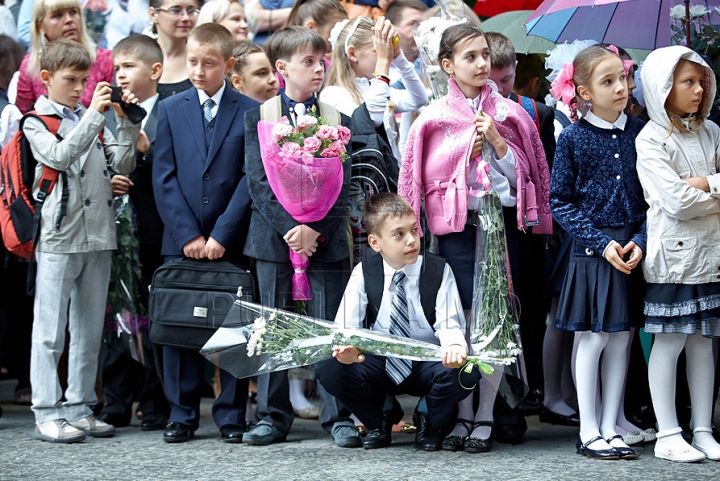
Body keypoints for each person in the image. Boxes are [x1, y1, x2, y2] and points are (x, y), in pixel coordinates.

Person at [399, 24, 551, 454]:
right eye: (470, 57)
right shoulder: (433, 118)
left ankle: (485, 416)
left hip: (500, 230)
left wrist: (500, 146)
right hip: (457, 233)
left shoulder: (510, 114)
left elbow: (529, 178)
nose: (482, 64)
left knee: (496, 322)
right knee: (461, 323)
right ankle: (463, 415)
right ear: (447, 65)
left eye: (485, 55)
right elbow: (416, 179)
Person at [242, 25, 359, 448]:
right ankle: (272, 417)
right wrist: (293, 231)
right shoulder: (258, 117)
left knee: (331, 326)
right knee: (273, 326)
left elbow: (343, 184)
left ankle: (338, 415)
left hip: (324, 239)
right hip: (275, 241)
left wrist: (316, 229)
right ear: (282, 68)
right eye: (308, 61)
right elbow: (258, 183)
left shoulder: (336, 119)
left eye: (321, 61)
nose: (318, 69)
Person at [26, 38, 140, 443]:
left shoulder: (89, 116)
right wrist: (94, 115)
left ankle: (78, 406)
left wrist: (127, 120)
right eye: (70, 80)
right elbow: (58, 157)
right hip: (59, 235)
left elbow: (121, 161)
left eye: (83, 80)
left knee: (90, 327)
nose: (79, 88)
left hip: (99, 233)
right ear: (46, 79)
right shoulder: (35, 121)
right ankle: (45, 409)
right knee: (50, 330)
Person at [152, 23, 258, 444]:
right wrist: (187, 235)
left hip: (229, 240)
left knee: (232, 327)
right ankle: (181, 413)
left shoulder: (250, 109)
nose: (198, 70)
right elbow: (163, 176)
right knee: (180, 325)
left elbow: (251, 178)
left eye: (209, 63)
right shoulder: (171, 107)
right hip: (181, 239)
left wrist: (222, 235)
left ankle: (232, 414)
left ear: (229, 65)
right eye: (193, 61)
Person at [316, 193, 480, 451]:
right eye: (399, 234)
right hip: (381, 363)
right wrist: (347, 350)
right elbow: (346, 326)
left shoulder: (437, 270)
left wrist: (455, 347)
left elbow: (449, 323)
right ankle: (381, 416)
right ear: (374, 242)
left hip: (427, 363)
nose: (412, 240)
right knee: (329, 368)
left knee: (465, 372)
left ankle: (429, 420)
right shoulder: (364, 272)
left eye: (414, 229)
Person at [549, 45, 646, 460]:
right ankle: (589, 429)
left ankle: (611, 424)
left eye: (623, 78)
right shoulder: (573, 138)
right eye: (608, 81)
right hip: (592, 250)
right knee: (593, 337)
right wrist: (601, 242)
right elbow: (560, 201)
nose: (620, 87)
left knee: (623, 337)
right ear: (584, 91)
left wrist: (639, 241)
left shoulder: (640, 133)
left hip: (631, 247)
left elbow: (651, 199)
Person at [635, 46, 720, 463]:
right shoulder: (650, 139)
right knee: (669, 341)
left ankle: (702, 429)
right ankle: (668, 432)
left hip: (712, 254)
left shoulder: (713, 132)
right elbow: (677, 202)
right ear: (662, 88)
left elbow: (691, 193)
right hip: (674, 258)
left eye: (701, 80)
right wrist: (713, 187)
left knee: (704, 341)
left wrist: (703, 182)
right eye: (687, 82)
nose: (699, 89)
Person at [97, 34, 170, 431]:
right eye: (117, 68)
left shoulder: (172, 111)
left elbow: (181, 168)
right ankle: (115, 400)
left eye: (128, 67)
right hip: (115, 232)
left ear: (155, 70)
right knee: (117, 316)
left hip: (157, 231)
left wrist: (147, 151)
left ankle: (155, 401)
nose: (120, 74)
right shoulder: (105, 114)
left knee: (153, 317)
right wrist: (106, 180)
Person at [485, 31, 553, 443]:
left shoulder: (535, 111)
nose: (500, 89)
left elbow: (544, 175)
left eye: (507, 79)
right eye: (494, 79)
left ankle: (524, 393)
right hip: (485, 225)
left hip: (525, 230)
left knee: (528, 311)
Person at [321, 15, 427, 161]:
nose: (386, 56)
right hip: (365, 179)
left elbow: (418, 99)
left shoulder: (375, 87)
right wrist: (383, 61)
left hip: (390, 176)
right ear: (352, 54)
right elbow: (370, 119)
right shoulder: (332, 94)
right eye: (378, 50)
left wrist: (399, 58)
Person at [15, 0, 115, 114]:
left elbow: (115, 114)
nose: (69, 20)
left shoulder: (106, 60)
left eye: (73, 12)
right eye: (57, 15)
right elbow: (23, 116)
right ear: (40, 26)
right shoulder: (30, 65)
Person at [148, 0, 199, 100]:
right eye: (175, 10)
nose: (185, 18)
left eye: (191, 11)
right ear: (154, 14)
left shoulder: (205, 59)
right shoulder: (137, 55)